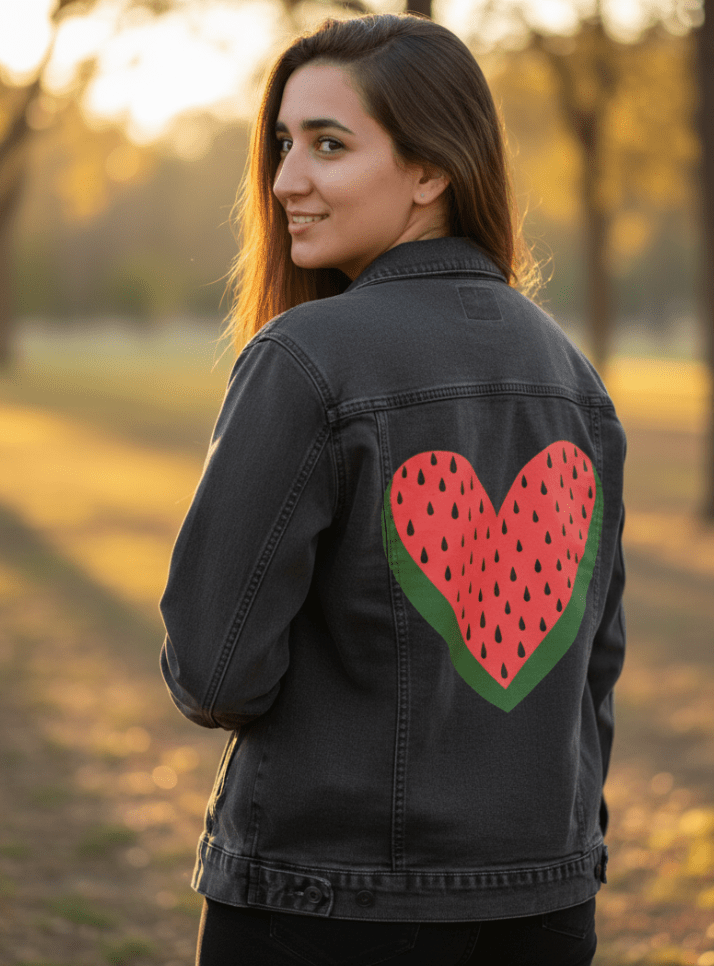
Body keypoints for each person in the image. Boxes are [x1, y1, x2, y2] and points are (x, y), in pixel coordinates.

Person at [159, 12, 626, 966]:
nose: (287, 179)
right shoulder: (576, 378)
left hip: (325, 901)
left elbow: (214, 672)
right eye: (284, 143)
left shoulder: (304, 359)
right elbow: (594, 670)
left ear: (430, 169)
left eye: (329, 145)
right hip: (544, 902)